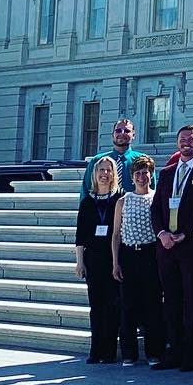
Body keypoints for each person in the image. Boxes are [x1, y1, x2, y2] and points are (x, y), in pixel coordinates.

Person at [150, 125, 193, 371]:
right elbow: (155, 208)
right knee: (171, 300)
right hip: (166, 247)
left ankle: (192, 352)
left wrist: (186, 234)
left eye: (192, 139)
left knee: (192, 301)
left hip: (191, 246)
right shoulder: (167, 173)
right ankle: (174, 349)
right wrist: (162, 234)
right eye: (183, 139)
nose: (186, 143)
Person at [112, 154, 165, 367]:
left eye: (146, 173)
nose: (142, 177)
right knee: (128, 306)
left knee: (152, 305)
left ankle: (154, 352)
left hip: (150, 255)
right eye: (138, 173)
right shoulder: (123, 201)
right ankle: (129, 354)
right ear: (132, 177)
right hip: (128, 254)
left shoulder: (157, 198)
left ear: (152, 175)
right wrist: (115, 262)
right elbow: (116, 234)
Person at [75, 156, 122, 364]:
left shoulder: (120, 198)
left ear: (114, 174)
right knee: (96, 305)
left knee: (112, 305)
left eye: (108, 170)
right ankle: (96, 349)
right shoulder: (87, 201)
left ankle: (110, 350)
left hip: (113, 257)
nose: (104, 174)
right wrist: (79, 261)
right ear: (95, 174)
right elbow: (80, 234)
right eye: (101, 170)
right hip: (93, 258)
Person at [81, 118, 138, 195]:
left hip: (132, 205)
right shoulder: (98, 160)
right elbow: (86, 189)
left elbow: (151, 192)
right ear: (112, 134)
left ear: (133, 135)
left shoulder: (141, 161)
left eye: (127, 131)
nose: (122, 133)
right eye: (118, 131)